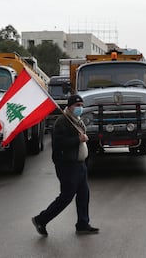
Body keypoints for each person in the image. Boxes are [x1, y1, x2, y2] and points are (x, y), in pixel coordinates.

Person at [32, 94, 99, 236]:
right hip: (68, 165)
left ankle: (82, 224)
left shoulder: (77, 120)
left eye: (81, 105)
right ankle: (41, 219)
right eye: (76, 106)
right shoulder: (62, 122)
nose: (79, 108)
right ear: (69, 107)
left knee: (83, 195)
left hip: (80, 164)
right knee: (66, 196)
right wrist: (77, 139)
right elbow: (58, 144)